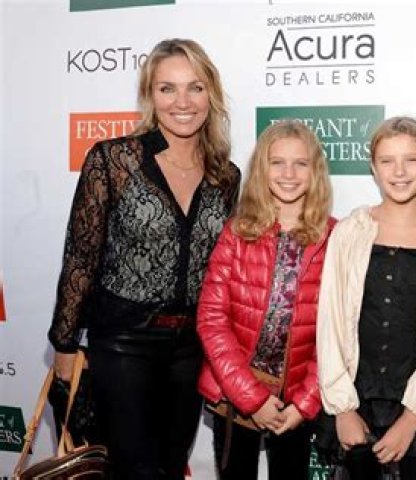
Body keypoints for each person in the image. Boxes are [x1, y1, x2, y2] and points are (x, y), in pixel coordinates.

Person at [48, 38, 241, 479]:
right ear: (150, 95)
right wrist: (64, 345)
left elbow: (221, 270)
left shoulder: (226, 176)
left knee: (171, 465)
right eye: (167, 88)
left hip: (191, 348)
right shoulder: (114, 160)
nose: (182, 102)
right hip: (123, 341)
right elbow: (80, 257)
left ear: (211, 94)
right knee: (134, 469)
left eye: (195, 87)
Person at [316, 117, 416, 480]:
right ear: (373, 167)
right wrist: (343, 408)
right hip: (355, 402)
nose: (399, 172)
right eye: (387, 160)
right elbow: (330, 323)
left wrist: (412, 418)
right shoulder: (350, 230)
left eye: (411, 159)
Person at [196, 119, 335, 480]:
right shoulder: (236, 232)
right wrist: (251, 398)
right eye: (277, 162)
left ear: (315, 171)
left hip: (297, 400)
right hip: (235, 395)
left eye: (300, 163)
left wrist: (304, 403)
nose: (288, 174)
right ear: (262, 168)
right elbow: (211, 320)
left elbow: (338, 334)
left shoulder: (336, 238)